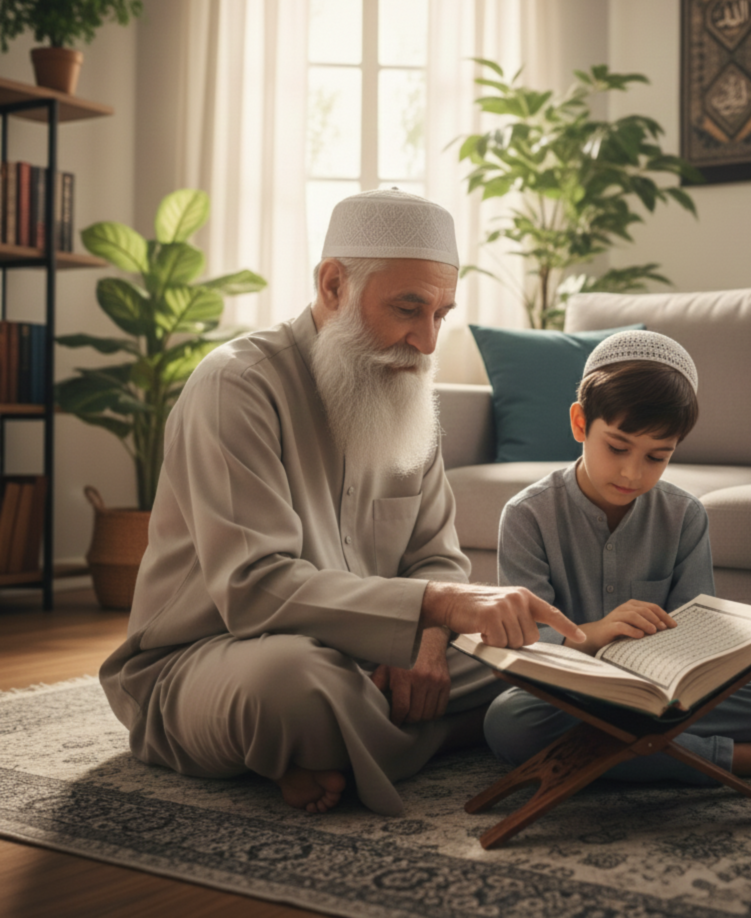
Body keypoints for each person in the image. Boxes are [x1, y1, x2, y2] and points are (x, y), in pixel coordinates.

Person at [99, 189, 583, 818]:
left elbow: (437, 558)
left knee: (536, 657)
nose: (428, 341)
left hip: (370, 657)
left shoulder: (410, 388)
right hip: (214, 655)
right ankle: (449, 733)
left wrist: (427, 643)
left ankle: (330, 748)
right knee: (291, 686)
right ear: (333, 286)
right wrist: (428, 611)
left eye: (441, 313)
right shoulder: (237, 385)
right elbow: (254, 587)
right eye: (409, 308)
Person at [484, 330, 751, 785]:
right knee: (510, 723)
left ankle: (619, 755)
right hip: (571, 695)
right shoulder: (526, 516)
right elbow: (527, 647)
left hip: (664, 695)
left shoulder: (684, 515)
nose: (632, 472)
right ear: (580, 423)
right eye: (617, 447)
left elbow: (697, 639)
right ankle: (743, 761)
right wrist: (596, 635)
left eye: (657, 456)